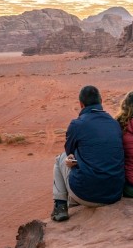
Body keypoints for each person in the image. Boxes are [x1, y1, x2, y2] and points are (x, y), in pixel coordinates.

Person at [51, 85, 124, 222]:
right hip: (114, 194)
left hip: (87, 195)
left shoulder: (77, 124)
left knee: (60, 158)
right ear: (101, 101)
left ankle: (60, 206)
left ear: (81, 104)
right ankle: (73, 202)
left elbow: (69, 152)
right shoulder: (114, 124)